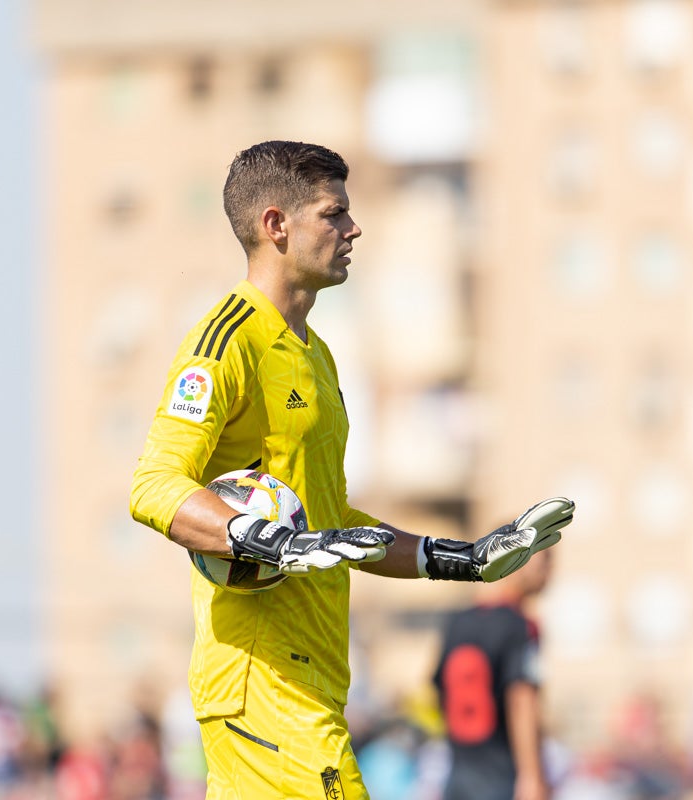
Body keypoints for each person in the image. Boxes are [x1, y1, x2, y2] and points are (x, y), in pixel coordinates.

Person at [129, 140, 574, 799]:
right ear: (276, 226)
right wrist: (278, 542)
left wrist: (468, 559)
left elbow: (332, 528)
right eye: (334, 213)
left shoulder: (319, 357)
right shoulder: (224, 341)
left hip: (312, 680)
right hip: (264, 683)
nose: (353, 228)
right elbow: (154, 486)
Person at [433, 549, 555, 800]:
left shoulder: (458, 621)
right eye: (544, 560)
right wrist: (532, 776)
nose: (549, 571)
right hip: (502, 778)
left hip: (458, 777)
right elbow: (522, 700)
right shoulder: (520, 625)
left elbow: (437, 691)